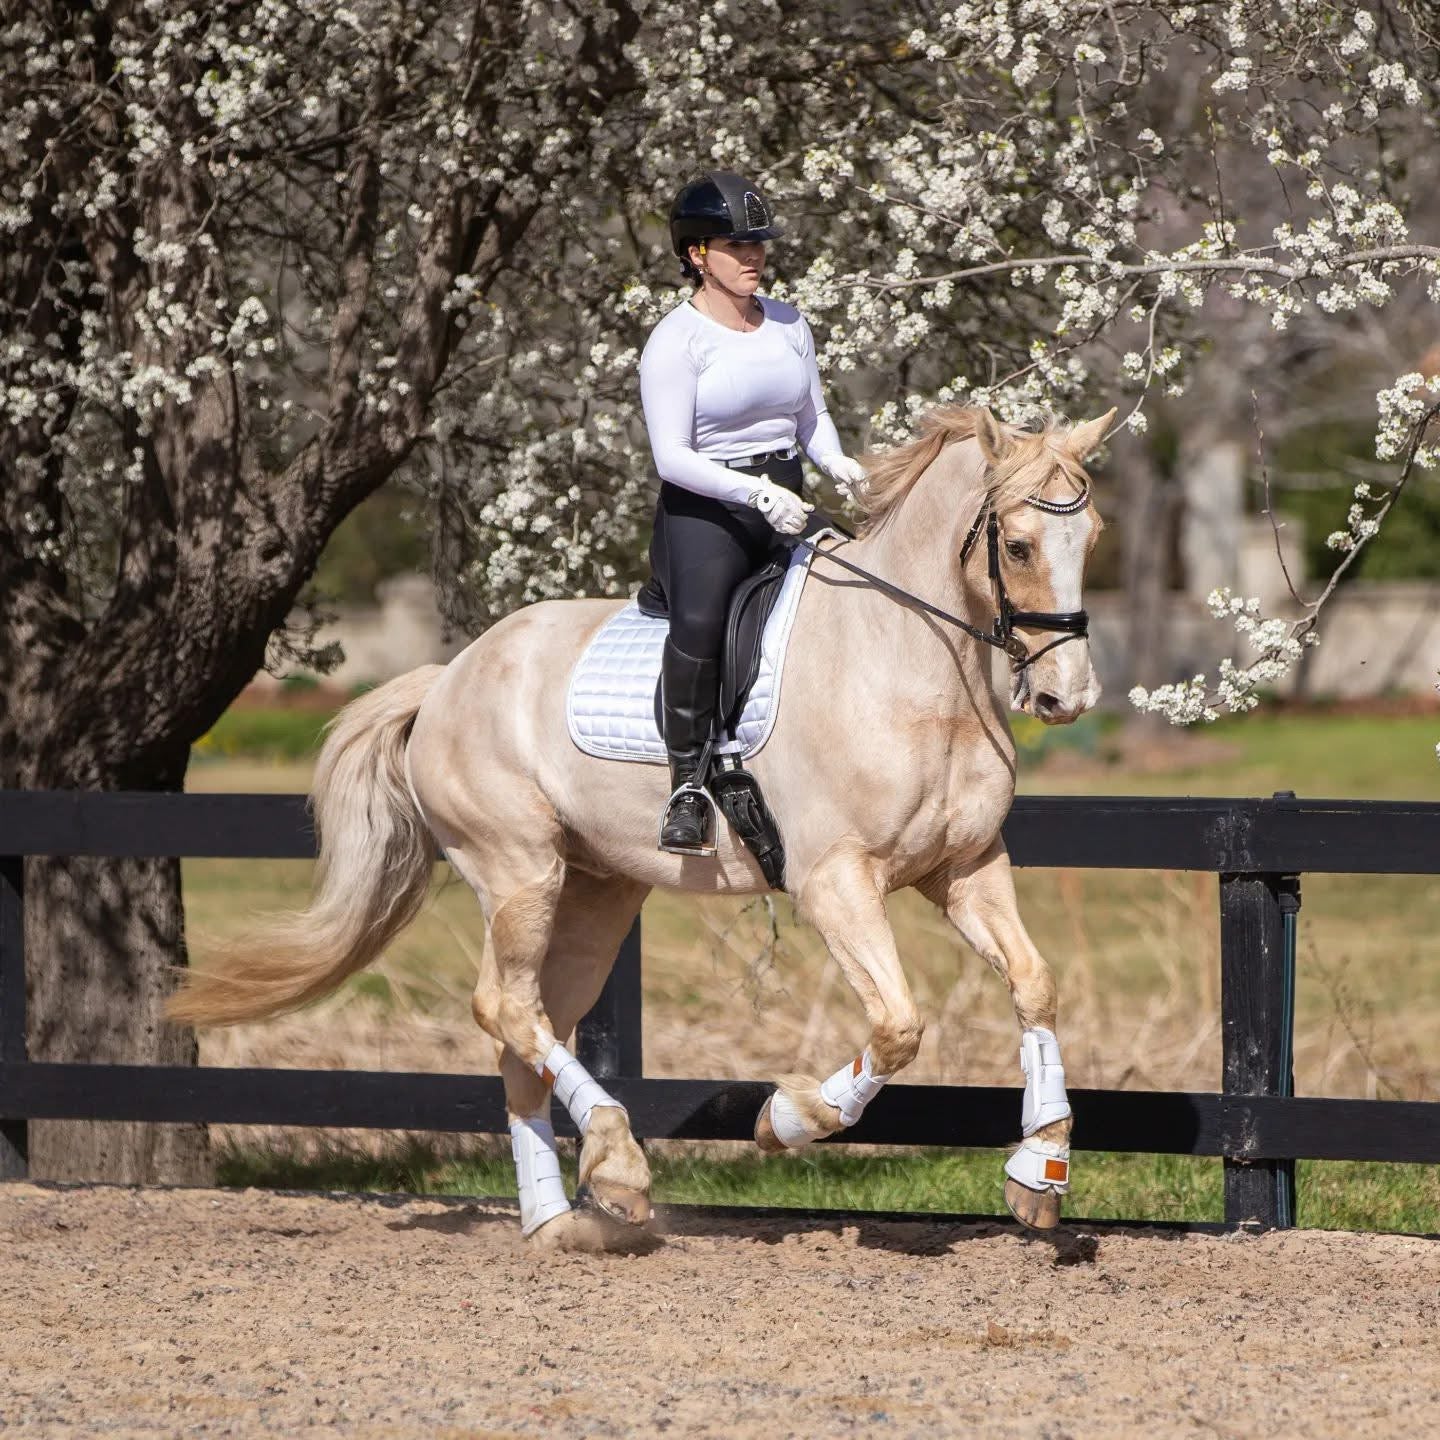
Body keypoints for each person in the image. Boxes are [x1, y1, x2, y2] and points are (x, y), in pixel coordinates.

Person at [639, 170, 866, 854]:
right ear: (696, 254)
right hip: (707, 511)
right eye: (735, 246)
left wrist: (838, 463)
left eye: (758, 244)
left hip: (788, 494)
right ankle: (687, 782)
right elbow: (671, 456)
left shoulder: (791, 323)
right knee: (703, 622)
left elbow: (810, 416)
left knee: (855, 585)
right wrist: (755, 493)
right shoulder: (676, 342)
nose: (753, 257)